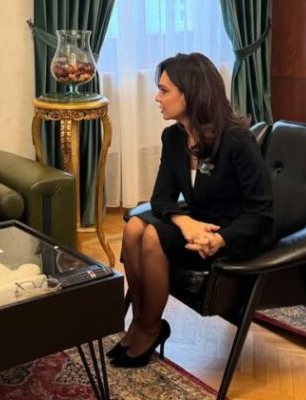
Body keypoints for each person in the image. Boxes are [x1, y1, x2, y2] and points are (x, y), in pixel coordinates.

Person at [108, 53, 275, 368]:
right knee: (133, 228)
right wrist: (184, 222)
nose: (157, 98)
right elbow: (161, 198)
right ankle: (141, 322)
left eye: (164, 90)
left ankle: (151, 328)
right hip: (196, 228)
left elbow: (262, 214)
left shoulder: (237, 140)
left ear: (190, 94)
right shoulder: (174, 137)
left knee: (152, 236)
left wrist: (220, 239)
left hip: (230, 236)